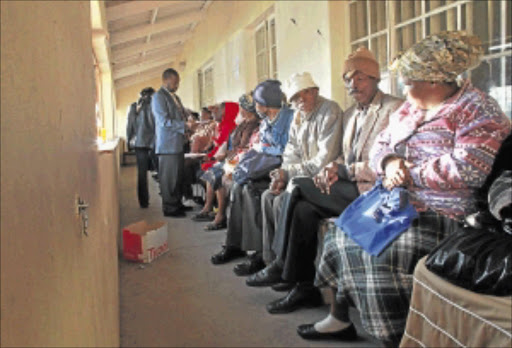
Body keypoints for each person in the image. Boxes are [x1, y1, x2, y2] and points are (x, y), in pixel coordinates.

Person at [297, 31, 511, 346]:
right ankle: (339, 318)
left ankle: (398, 337)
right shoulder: (411, 108)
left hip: (445, 213)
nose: (403, 89)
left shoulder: (477, 109)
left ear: (435, 82)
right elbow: (380, 145)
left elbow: (469, 168)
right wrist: (390, 162)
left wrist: (410, 174)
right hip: (398, 201)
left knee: (378, 254)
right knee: (344, 231)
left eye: (409, 82)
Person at [246, 48, 404, 315]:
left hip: (373, 192)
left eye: (361, 78)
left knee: (297, 186)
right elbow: (342, 155)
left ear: (376, 78)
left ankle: (279, 262)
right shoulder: (351, 113)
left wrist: (341, 170)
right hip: (347, 186)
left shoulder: (394, 108)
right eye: (349, 81)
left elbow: (389, 162)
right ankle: (304, 287)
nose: (353, 86)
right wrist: (335, 166)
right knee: (303, 210)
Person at [234, 72, 345, 277]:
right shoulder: (297, 115)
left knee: (279, 201)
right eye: (295, 97)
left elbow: (324, 160)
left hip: (321, 178)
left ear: (315, 91)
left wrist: (288, 173)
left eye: (305, 93)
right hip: (300, 176)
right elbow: (290, 153)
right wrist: (282, 174)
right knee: (268, 196)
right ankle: (271, 260)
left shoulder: (329, 111)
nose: (300, 100)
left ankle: (286, 267)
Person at [210, 80, 294, 265]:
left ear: (265, 103)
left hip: (284, 169)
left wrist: (267, 149)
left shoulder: (290, 118)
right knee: (238, 186)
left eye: (257, 101)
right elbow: (261, 148)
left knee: (250, 190)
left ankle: (258, 253)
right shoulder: (265, 122)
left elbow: (287, 150)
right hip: (265, 167)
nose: (255, 106)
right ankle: (234, 245)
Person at [193, 92, 261, 230]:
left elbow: (247, 148)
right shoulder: (243, 124)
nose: (239, 109)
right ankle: (211, 209)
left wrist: (225, 155)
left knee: (218, 174)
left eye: (241, 106)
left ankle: (220, 216)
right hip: (233, 158)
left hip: (242, 160)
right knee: (213, 171)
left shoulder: (254, 125)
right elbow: (229, 144)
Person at [152, 68, 191, 218]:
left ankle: (177, 203)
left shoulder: (175, 97)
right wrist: (184, 126)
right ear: (166, 80)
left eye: (177, 83)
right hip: (168, 145)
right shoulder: (159, 97)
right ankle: (170, 208)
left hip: (178, 142)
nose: (177, 85)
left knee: (177, 176)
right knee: (169, 178)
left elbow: (181, 115)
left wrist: (189, 124)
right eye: (175, 83)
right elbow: (163, 121)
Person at [126, 87, 156, 208]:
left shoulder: (135, 106)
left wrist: (129, 141)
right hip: (155, 143)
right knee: (162, 171)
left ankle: (143, 201)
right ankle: (168, 201)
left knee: (142, 174)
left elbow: (130, 126)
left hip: (140, 143)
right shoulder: (156, 106)